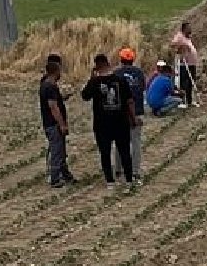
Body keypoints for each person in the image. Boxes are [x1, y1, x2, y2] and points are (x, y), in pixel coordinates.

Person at [81, 54, 138, 188]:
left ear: (96, 66)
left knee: (105, 153)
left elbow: (85, 96)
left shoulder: (95, 82)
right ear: (108, 63)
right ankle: (129, 179)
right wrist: (133, 118)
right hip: (121, 122)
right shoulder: (120, 80)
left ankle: (110, 181)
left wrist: (91, 78)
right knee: (124, 151)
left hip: (102, 124)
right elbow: (130, 101)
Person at [39, 54, 74, 188]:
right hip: (53, 124)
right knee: (56, 150)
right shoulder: (50, 87)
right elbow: (53, 107)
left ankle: (65, 174)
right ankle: (55, 178)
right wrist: (62, 124)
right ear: (56, 71)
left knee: (60, 150)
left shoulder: (45, 85)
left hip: (50, 123)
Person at [113, 47, 146, 182]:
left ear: (121, 60)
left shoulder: (116, 74)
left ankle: (118, 169)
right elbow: (143, 88)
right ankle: (135, 171)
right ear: (132, 59)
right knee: (136, 142)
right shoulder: (139, 73)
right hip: (137, 112)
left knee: (120, 142)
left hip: (119, 114)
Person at [169, 22, 200, 108]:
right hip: (184, 64)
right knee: (183, 83)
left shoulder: (188, 38)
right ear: (184, 29)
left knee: (191, 82)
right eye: (188, 28)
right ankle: (183, 101)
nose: (190, 29)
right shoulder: (180, 36)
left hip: (191, 64)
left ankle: (190, 101)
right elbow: (173, 44)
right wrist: (182, 47)